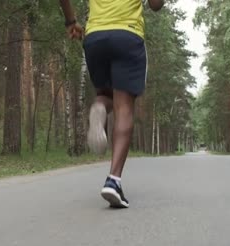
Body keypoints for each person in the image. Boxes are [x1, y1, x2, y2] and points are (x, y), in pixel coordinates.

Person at [59, 0, 164, 208]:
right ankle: (113, 181)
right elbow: (155, 5)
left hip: (95, 36)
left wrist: (71, 21)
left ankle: (99, 109)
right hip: (127, 34)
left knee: (105, 95)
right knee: (123, 106)